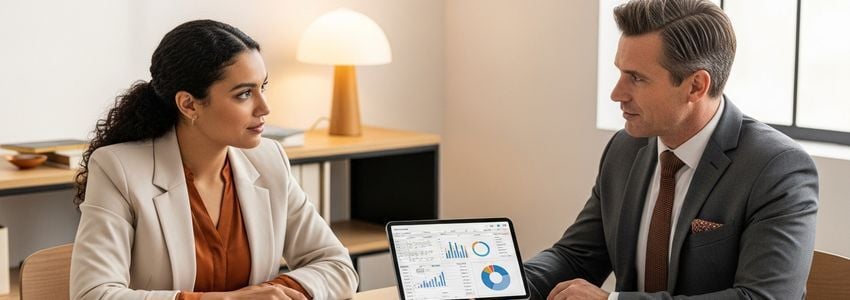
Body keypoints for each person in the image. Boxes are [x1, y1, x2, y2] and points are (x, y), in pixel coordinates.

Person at [523, 0, 818, 299]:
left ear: (695, 86)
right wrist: (502, 285)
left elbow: (763, 297)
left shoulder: (778, 169)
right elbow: (575, 258)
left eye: (637, 78)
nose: (616, 94)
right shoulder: (624, 149)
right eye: (620, 73)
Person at [70, 20, 358, 300]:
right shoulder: (117, 169)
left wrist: (274, 293)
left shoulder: (269, 159)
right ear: (189, 104)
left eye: (263, 87)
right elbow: (94, 294)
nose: (265, 107)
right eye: (244, 94)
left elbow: (338, 266)